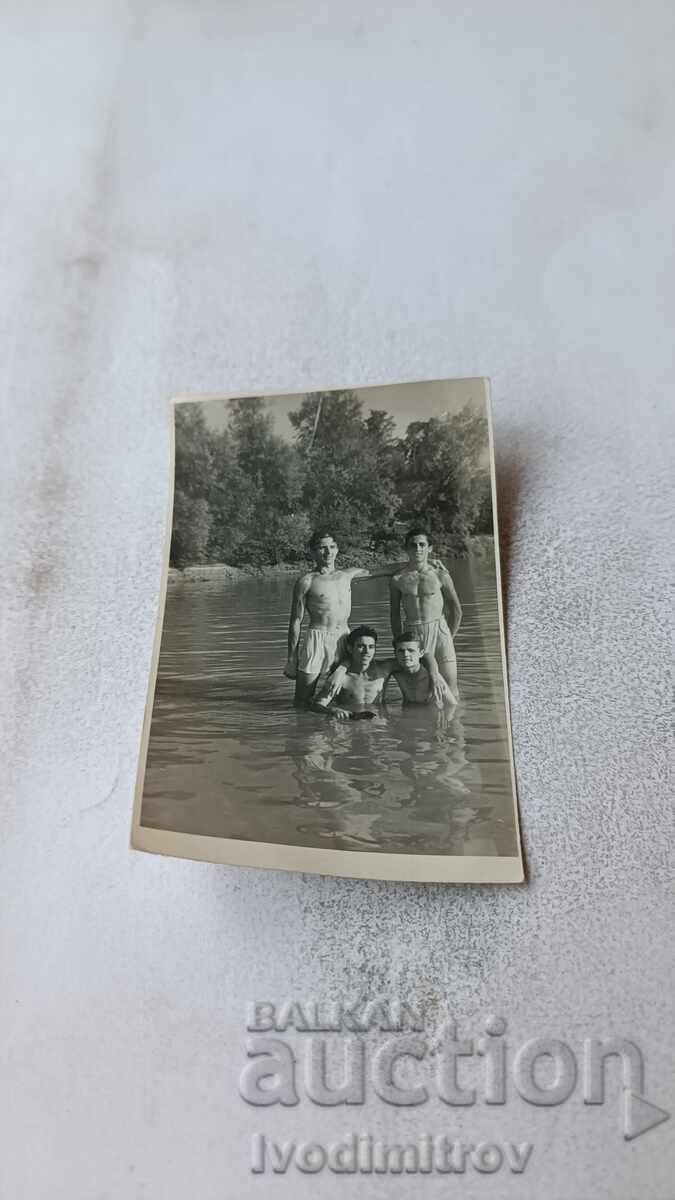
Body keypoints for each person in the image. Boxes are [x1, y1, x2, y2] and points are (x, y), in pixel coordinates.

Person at [284, 530, 449, 705]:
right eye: (322, 548)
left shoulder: (346, 575)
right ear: (312, 551)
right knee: (302, 700)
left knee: (341, 690)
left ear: (337, 549)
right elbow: (296, 621)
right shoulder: (307, 581)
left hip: (343, 637)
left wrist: (426, 562)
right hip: (317, 638)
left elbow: (384, 569)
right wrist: (292, 658)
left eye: (332, 547)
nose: (328, 552)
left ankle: (338, 722)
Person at [389, 527, 462, 702]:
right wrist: (399, 641)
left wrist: (449, 637)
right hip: (412, 634)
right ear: (406, 549)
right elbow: (394, 614)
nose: (418, 549)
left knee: (451, 686)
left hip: (440, 630)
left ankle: (454, 725)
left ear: (429, 548)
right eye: (413, 545)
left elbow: (456, 609)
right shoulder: (397, 579)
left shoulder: (440, 575)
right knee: (416, 691)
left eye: (422, 544)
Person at [315, 628, 452, 720]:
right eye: (361, 646)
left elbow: (423, 656)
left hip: (379, 722)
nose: (366, 651)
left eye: (371, 647)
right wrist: (333, 711)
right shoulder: (340, 678)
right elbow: (316, 705)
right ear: (350, 649)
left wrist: (434, 675)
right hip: (351, 721)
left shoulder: (385, 667)